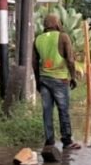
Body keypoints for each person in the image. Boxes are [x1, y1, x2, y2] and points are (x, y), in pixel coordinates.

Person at [33, 13, 81, 149]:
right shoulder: (63, 37)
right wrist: (73, 77)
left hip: (43, 79)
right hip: (60, 78)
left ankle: (49, 141)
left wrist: (37, 80)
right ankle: (67, 141)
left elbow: (34, 63)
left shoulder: (37, 39)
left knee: (47, 110)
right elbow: (70, 60)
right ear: (56, 24)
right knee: (63, 109)